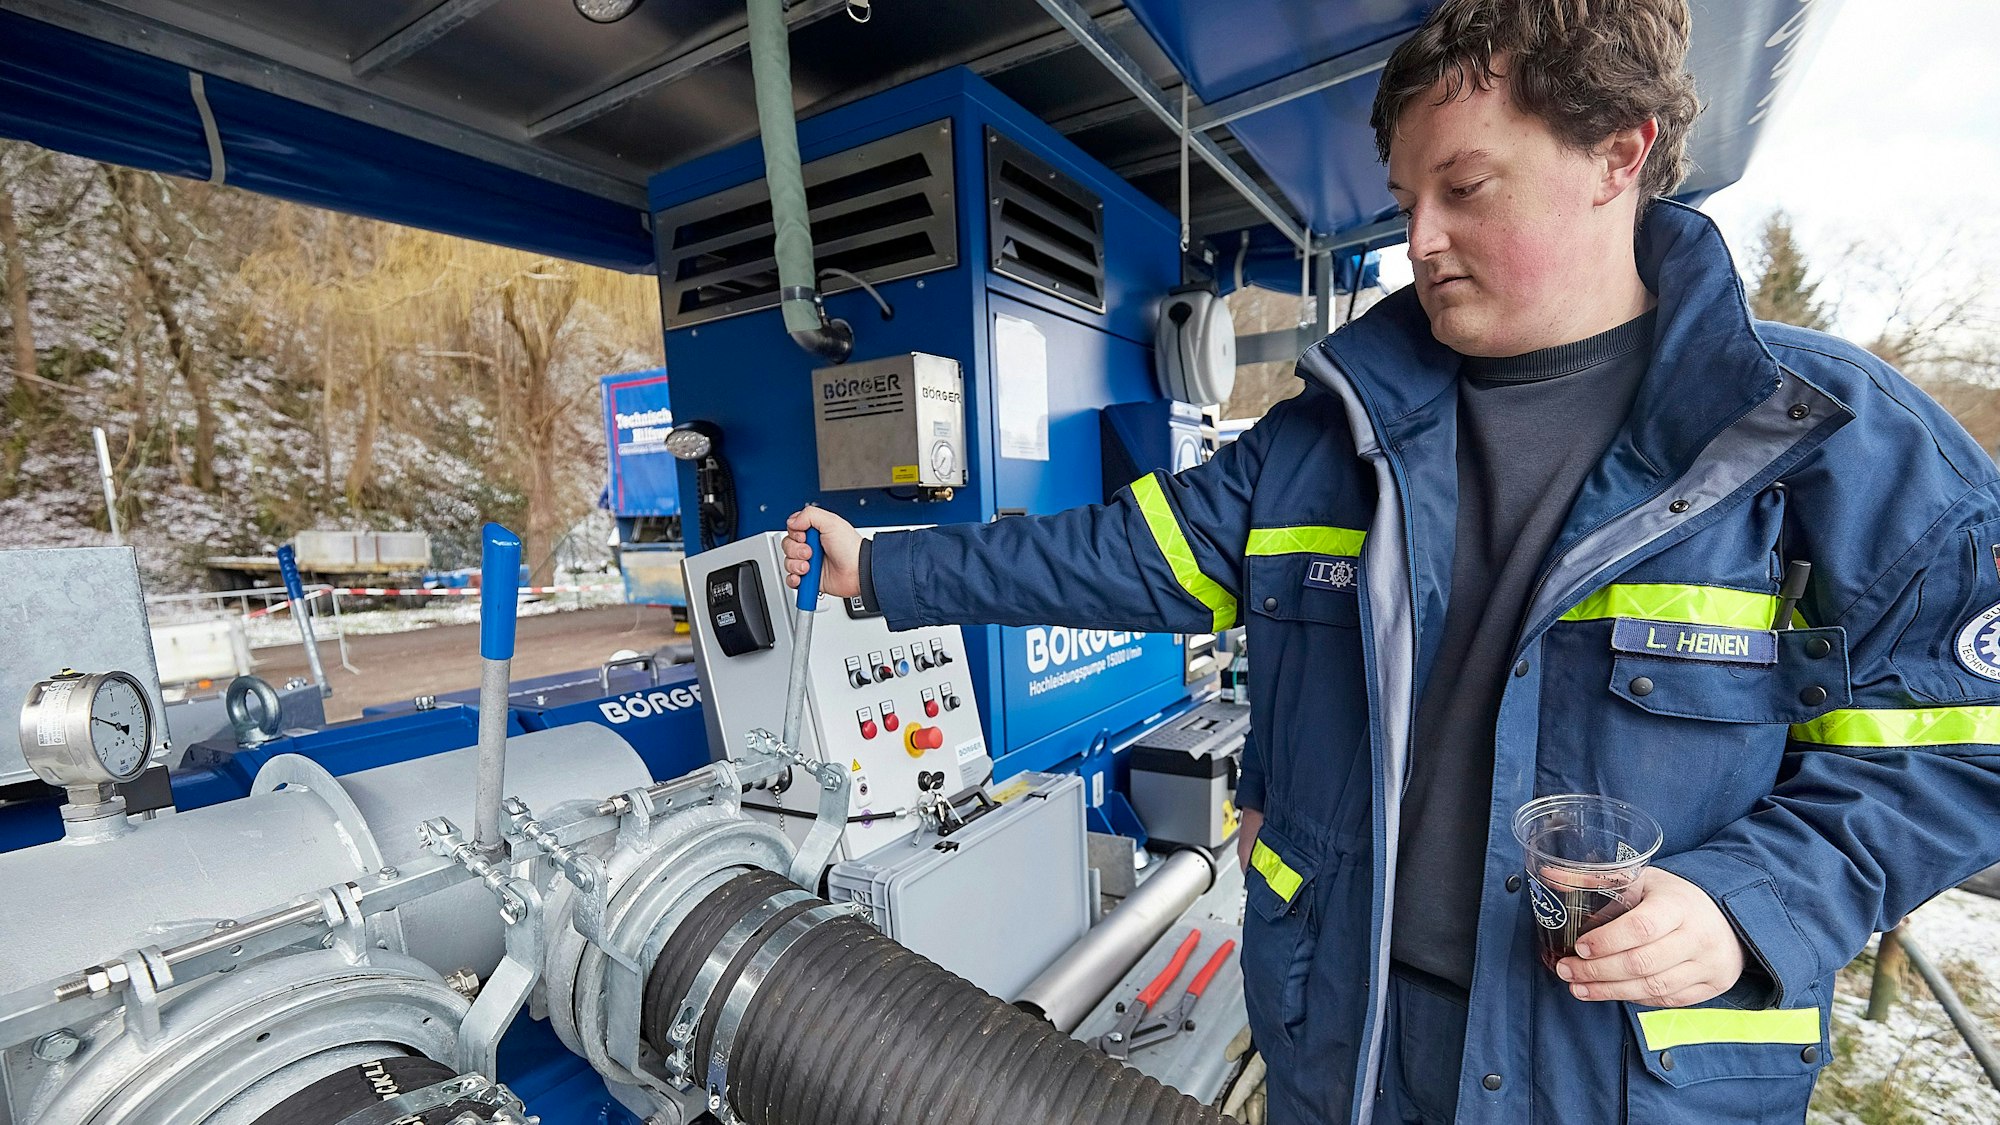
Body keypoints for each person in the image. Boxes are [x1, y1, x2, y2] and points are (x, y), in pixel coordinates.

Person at [783, 1, 2000, 1120]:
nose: (1418, 240)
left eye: (1465, 187)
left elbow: (1958, 746)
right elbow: (1120, 557)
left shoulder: (1820, 435)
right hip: (1346, 1035)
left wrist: (1750, 901)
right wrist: (879, 571)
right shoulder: (1332, 426)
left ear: (1616, 157)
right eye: (1407, 197)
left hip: (1620, 1066)